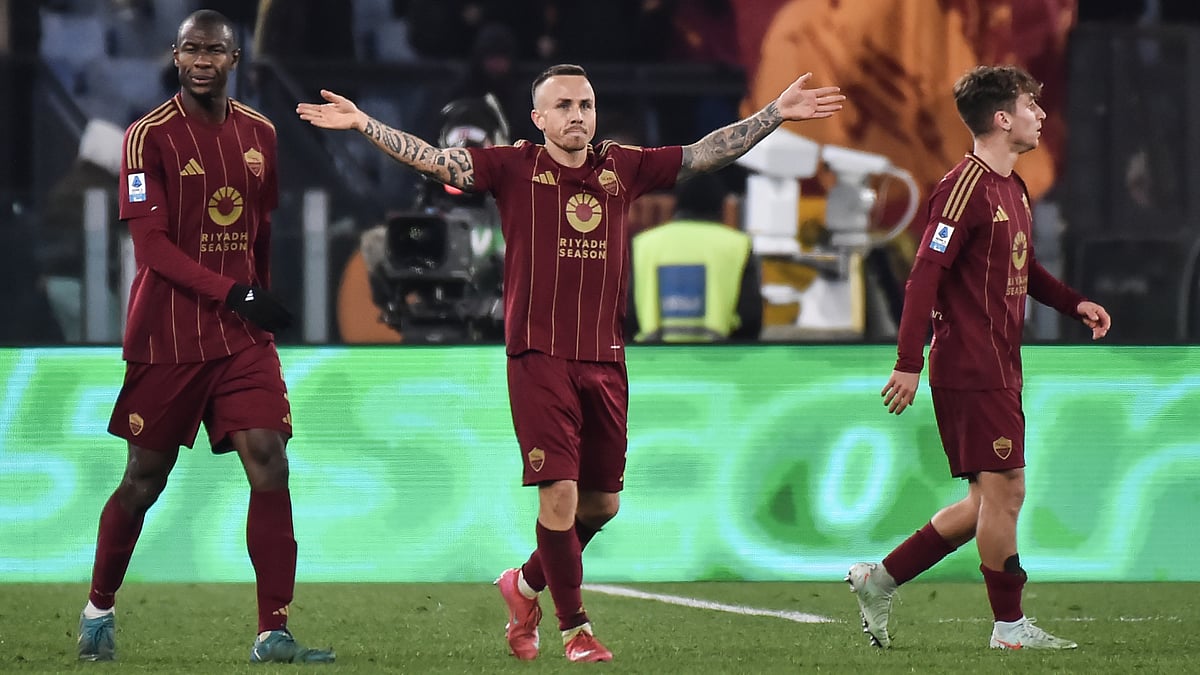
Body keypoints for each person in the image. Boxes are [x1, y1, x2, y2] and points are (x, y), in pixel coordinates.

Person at [298, 63, 843, 662]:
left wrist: (773, 115)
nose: (576, 115)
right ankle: (575, 629)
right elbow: (432, 159)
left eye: (584, 103)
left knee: (602, 504)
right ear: (538, 119)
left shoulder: (623, 167)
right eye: (562, 106)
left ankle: (524, 584)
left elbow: (702, 155)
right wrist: (363, 123)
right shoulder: (514, 167)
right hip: (539, 356)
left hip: (605, 360)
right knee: (557, 493)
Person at [75, 10, 334, 664]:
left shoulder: (262, 134)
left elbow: (259, 227)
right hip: (169, 333)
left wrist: (260, 295)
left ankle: (272, 630)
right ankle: (99, 606)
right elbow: (152, 248)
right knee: (144, 477)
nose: (200, 60)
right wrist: (236, 291)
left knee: (270, 459)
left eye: (213, 50)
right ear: (176, 54)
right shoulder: (146, 138)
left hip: (242, 337)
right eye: (190, 49)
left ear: (234, 59)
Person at [845, 65, 1111, 651]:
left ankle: (878, 580)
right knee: (1007, 490)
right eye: (1031, 105)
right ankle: (1009, 629)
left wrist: (1075, 303)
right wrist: (908, 361)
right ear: (1001, 118)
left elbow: (1025, 267)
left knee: (984, 500)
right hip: (969, 364)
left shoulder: (1012, 187)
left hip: (1001, 363)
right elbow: (923, 279)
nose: (1041, 114)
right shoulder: (961, 188)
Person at [628, 170, 762, 342]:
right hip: (718, 361)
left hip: (653, 360)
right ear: (721, 205)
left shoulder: (644, 243)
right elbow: (750, 317)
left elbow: (627, 314)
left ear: (677, 203)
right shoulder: (737, 244)